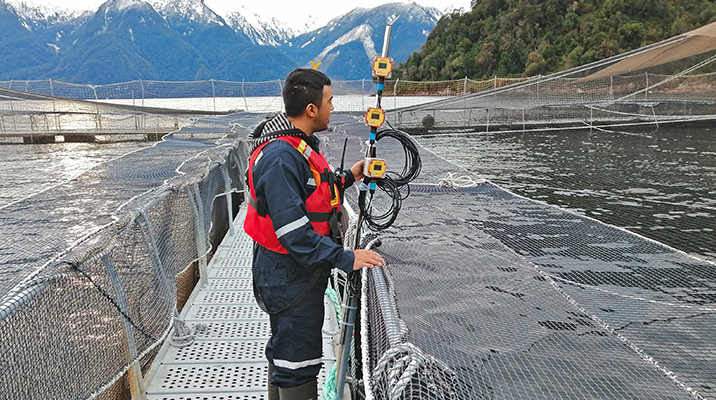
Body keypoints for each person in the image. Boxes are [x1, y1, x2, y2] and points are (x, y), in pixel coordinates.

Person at [243, 68, 385, 400]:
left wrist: (351, 175)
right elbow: (296, 235)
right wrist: (347, 258)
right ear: (311, 110)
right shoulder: (280, 157)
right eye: (329, 101)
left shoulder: (294, 148)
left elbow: (312, 191)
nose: (332, 107)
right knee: (297, 361)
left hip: (290, 271)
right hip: (288, 274)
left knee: (285, 351)